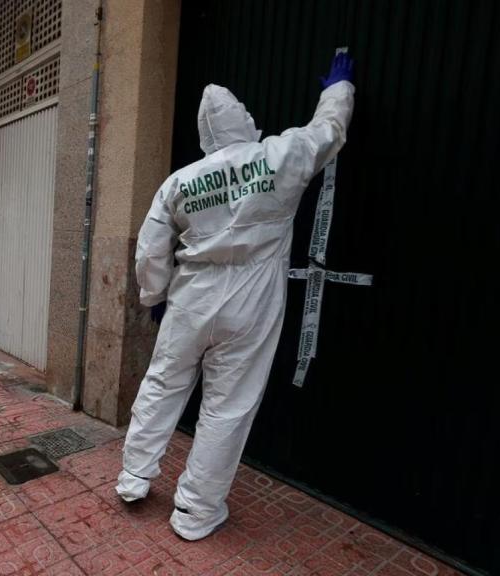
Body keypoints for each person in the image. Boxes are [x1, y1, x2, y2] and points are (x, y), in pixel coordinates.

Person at [116, 53, 355, 541]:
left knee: (162, 385)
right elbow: (328, 131)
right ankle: (196, 513)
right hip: (252, 299)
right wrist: (340, 88)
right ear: (243, 121)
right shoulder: (278, 155)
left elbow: (150, 249)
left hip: (190, 298)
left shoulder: (180, 180)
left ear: (206, 136)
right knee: (228, 406)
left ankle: (133, 478)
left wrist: (154, 296)